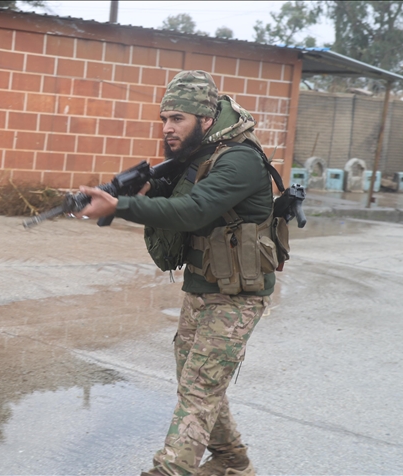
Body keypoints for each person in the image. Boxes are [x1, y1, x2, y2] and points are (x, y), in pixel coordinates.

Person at [80, 71, 278, 476]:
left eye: (178, 119)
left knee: (199, 388)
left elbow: (194, 210)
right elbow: (184, 200)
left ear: (206, 119)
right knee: (198, 380)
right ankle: (232, 461)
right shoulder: (199, 153)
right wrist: (144, 191)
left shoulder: (240, 159)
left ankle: (171, 469)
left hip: (238, 296)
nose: (167, 128)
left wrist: (122, 207)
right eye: (164, 119)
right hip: (202, 286)